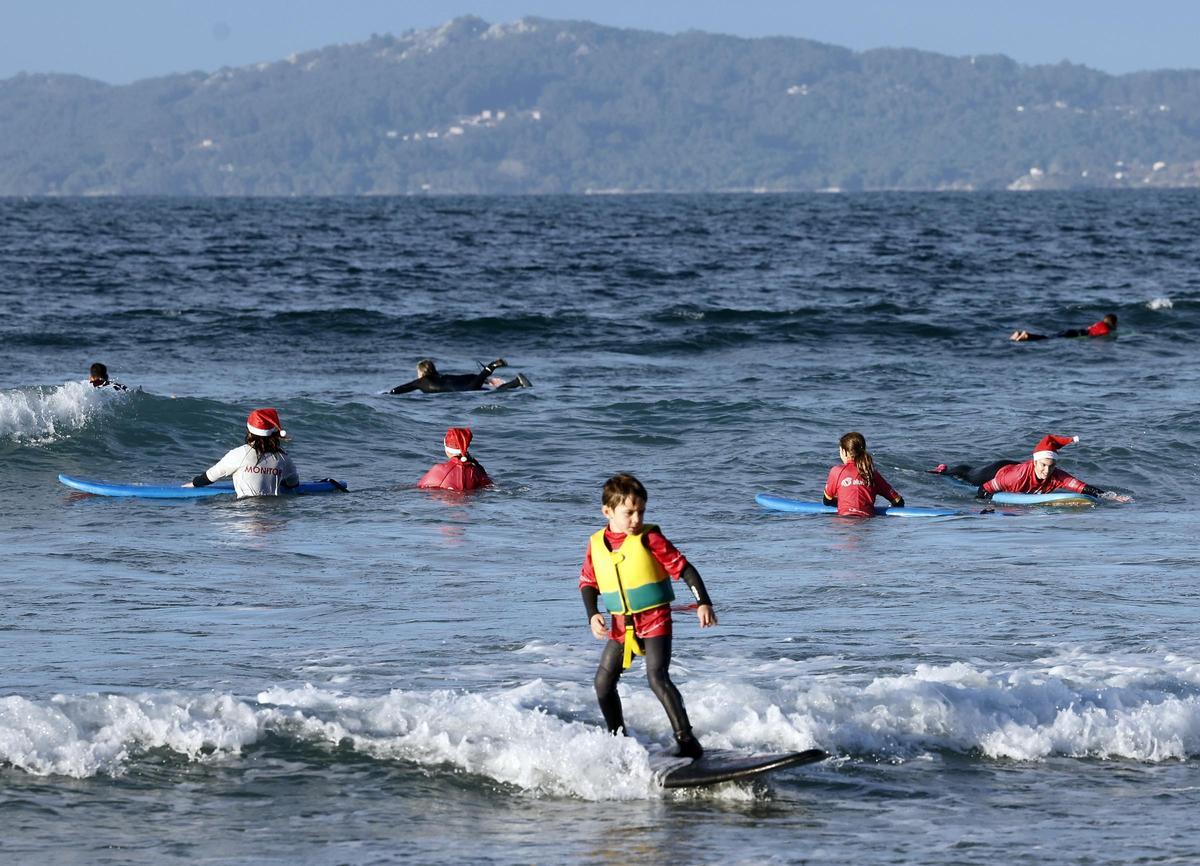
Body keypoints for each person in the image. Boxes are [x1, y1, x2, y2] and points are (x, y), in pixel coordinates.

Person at [578, 473, 717, 759]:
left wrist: (703, 602)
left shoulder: (650, 538)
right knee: (602, 683)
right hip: (621, 626)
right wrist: (592, 614)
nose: (636, 519)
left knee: (657, 677)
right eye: (629, 513)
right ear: (608, 512)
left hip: (655, 619)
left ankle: (687, 741)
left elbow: (685, 569)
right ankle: (618, 739)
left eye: (641, 511)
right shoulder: (595, 544)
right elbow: (588, 583)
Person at [931, 434, 1132, 501]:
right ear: (1036, 462)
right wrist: (988, 506)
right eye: (1043, 465)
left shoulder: (1056, 475)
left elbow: (1083, 487)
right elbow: (983, 490)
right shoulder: (1015, 477)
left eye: (1051, 466)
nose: (1047, 471)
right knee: (970, 475)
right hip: (999, 472)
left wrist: (1112, 497)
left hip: (1013, 469)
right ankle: (944, 470)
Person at [183, 408, 300, 498]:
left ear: (249, 431)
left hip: (246, 514)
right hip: (273, 517)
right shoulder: (283, 457)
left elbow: (210, 477)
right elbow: (293, 484)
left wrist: (194, 484)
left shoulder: (238, 454)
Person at [822, 431, 905, 517]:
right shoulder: (872, 473)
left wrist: (845, 502)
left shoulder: (836, 471)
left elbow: (827, 501)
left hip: (843, 524)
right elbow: (898, 501)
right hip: (866, 525)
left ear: (844, 452)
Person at [389, 358, 531, 394]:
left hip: (464, 391)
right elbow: (464, 376)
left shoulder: (421, 381)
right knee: (491, 391)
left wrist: (389, 393)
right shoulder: (442, 377)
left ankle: (492, 366)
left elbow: (402, 389)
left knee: (488, 391)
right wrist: (486, 380)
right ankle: (517, 382)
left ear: (421, 371)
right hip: (468, 384)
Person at [417, 427, 492, 491]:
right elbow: (489, 487)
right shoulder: (477, 470)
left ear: (446, 449)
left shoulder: (439, 470)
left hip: (449, 503)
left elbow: (420, 488)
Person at [1010, 313, 1117, 341]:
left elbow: (1090, 329)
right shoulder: (1106, 328)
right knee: (1046, 339)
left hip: (1073, 331)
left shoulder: (1099, 323)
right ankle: (1027, 336)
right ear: (1113, 322)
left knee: (1048, 337)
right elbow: (1099, 337)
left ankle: (1020, 335)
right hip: (1074, 334)